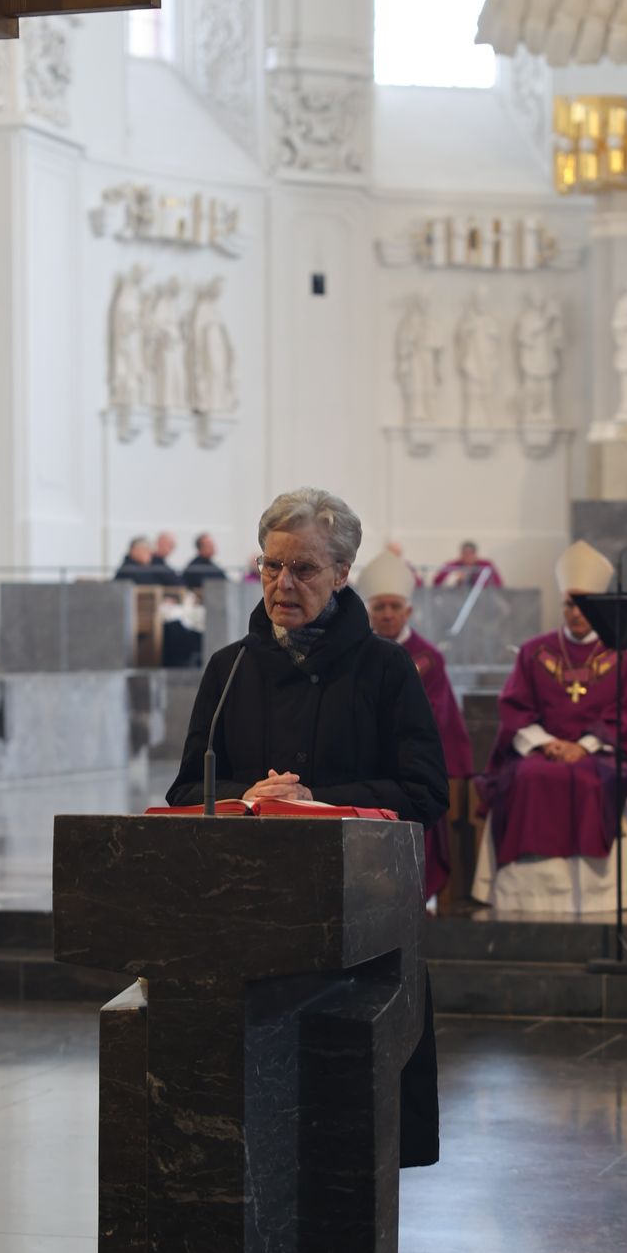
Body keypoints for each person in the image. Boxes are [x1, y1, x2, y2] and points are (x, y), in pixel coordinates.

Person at [167, 487, 448, 1167]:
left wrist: (315, 799)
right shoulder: (229, 668)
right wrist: (250, 796)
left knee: (347, 1151)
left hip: (356, 924)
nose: (282, 584)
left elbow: (425, 792)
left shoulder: (385, 668)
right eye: (271, 565)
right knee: (252, 1148)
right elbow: (185, 790)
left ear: (342, 573)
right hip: (248, 921)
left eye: (303, 569)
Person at [473, 541, 627, 916]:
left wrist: (587, 745)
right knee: (526, 777)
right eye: (569, 604)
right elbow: (515, 706)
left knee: (590, 781)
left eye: (585, 604)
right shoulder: (534, 651)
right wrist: (546, 743)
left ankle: (595, 896)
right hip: (543, 750)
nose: (576, 612)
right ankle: (527, 895)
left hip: (601, 755)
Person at [358, 551, 473, 903]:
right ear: (368, 612)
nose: (387, 614)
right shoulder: (356, 654)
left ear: (408, 611)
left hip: (410, 763)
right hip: (363, 762)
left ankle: (416, 896)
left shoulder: (428, 658)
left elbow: (433, 717)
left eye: (394, 606)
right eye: (379, 607)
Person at [433, 540, 503, 589]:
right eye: (465, 554)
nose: (468, 557)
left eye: (470, 554)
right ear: (461, 554)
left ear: (475, 554)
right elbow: (437, 583)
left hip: (482, 599)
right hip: (456, 598)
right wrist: (454, 579)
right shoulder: (452, 565)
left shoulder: (486, 565)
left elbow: (498, 584)